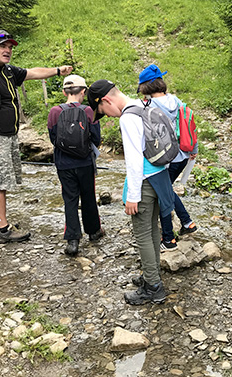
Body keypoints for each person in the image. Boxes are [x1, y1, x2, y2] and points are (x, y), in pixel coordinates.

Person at [0, 29, 73, 243]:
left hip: (8, 136)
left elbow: (33, 73)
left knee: (0, 180)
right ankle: (3, 230)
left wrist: (58, 70)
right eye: (3, 46)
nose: (7, 50)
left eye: (10, 47)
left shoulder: (6, 70)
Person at [88, 79, 174, 305]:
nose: (107, 115)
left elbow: (134, 160)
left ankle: (153, 287)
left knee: (143, 234)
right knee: (153, 229)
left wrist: (132, 196)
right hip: (160, 177)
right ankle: (151, 274)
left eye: (103, 111)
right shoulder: (144, 105)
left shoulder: (128, 117)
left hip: (144, 182)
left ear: (105, 100)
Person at [137, 64, 198, 252]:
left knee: (163, 195)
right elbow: (188, 123)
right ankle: (187, 222)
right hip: (182, 155)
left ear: (146, 87)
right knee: (167, 190)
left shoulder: (149, 106)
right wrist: (193, 148)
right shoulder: (176, 101)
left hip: (164, 157)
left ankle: (169, 239)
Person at [47, 75, 105, 256]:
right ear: (83, 91)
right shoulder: (89, 111)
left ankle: (72, 240)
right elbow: (96, 138)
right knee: (88, 196)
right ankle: (94, 232)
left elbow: (53, 138)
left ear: (64, 92)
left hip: (64, 164)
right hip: (85, 162)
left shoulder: (54, 112)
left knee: (70, 199)